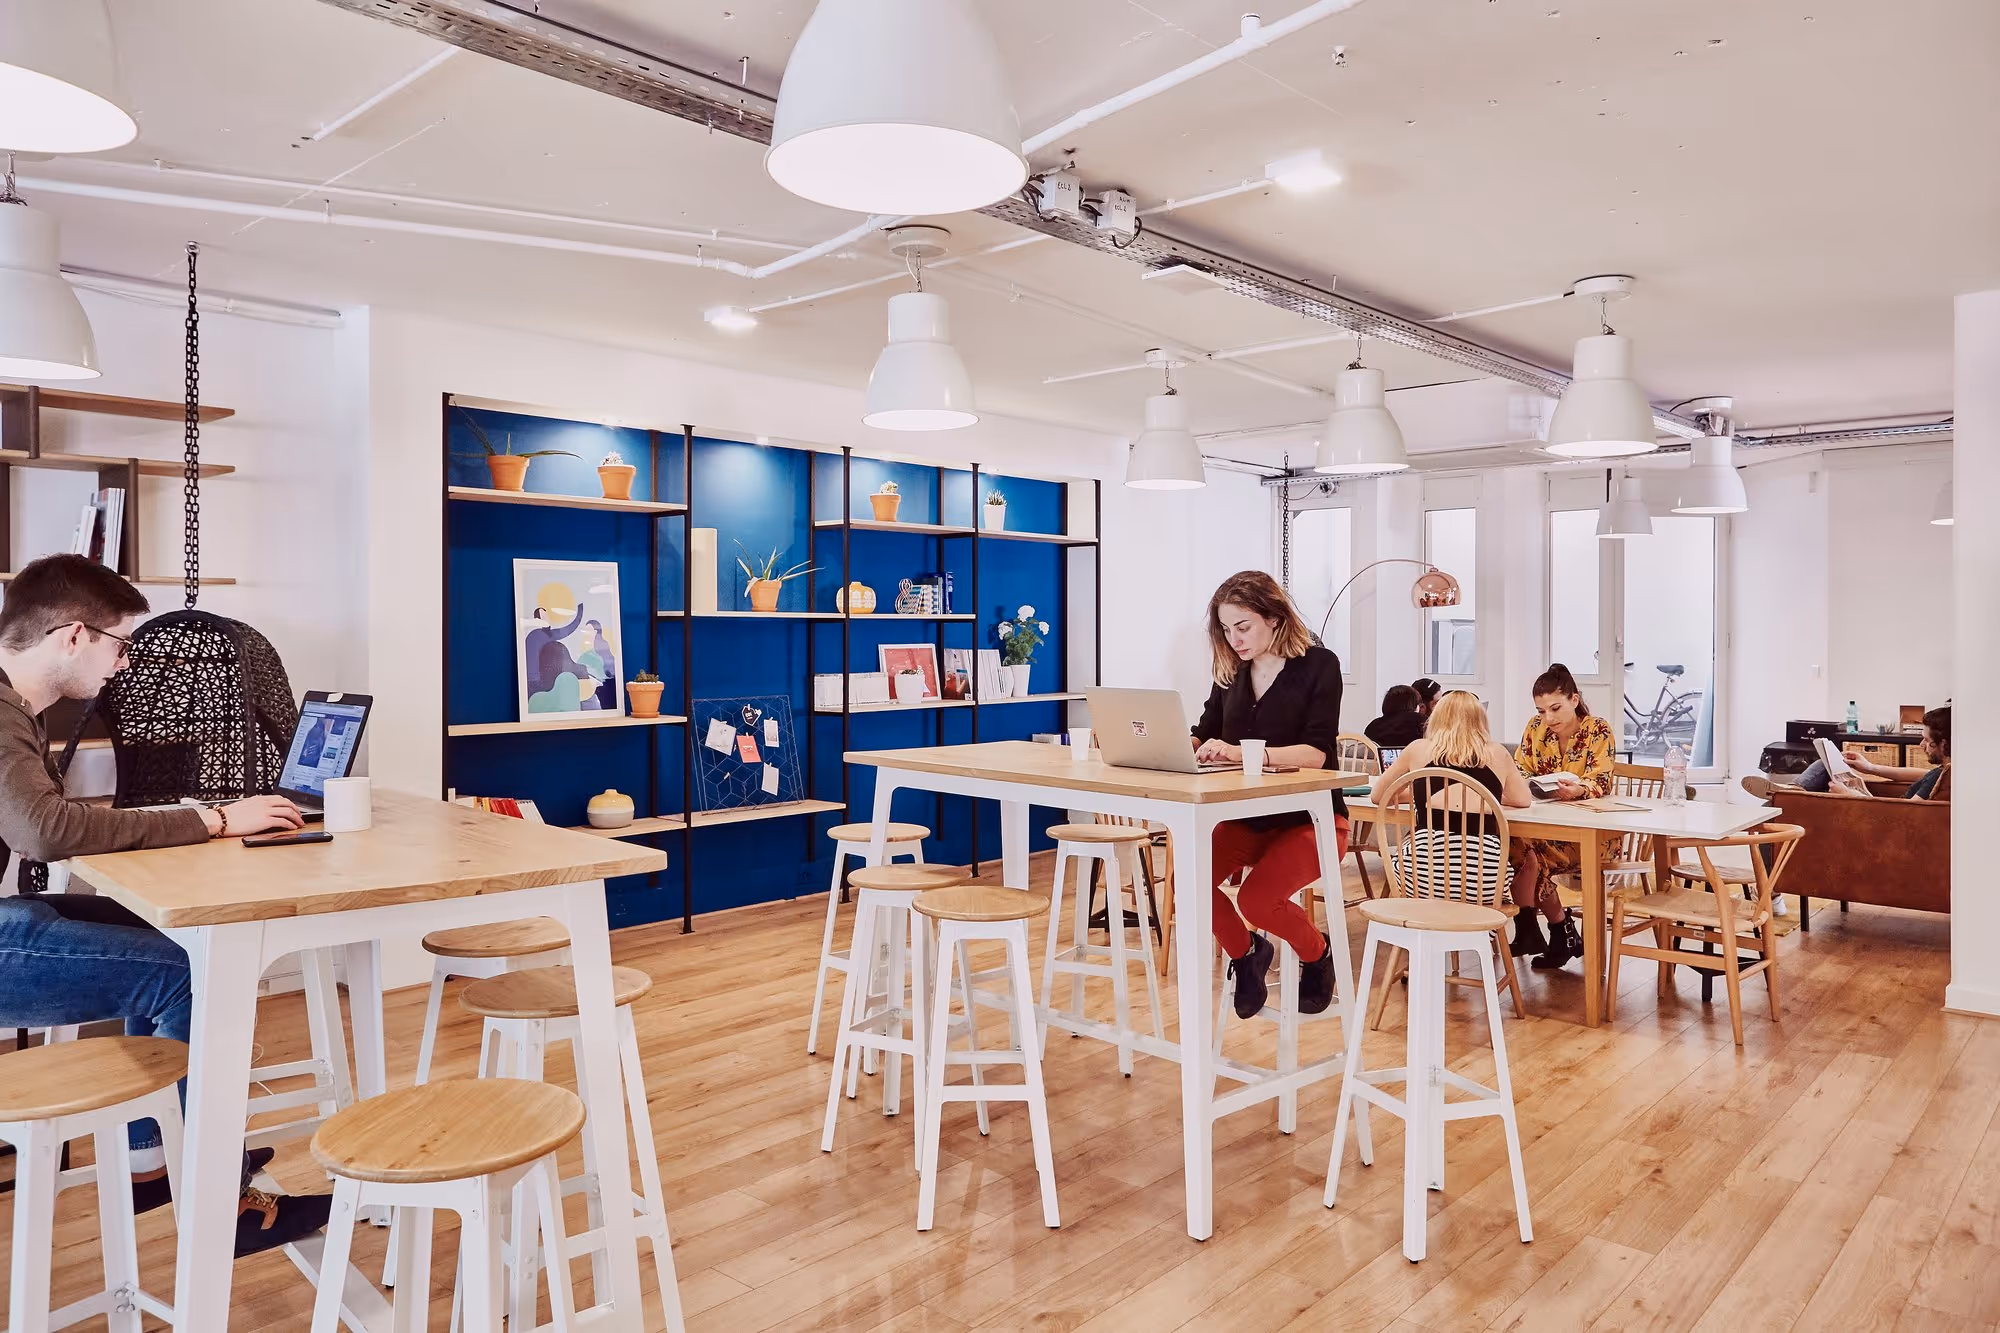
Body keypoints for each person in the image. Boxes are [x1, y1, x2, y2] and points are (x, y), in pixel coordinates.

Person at [0, 555, 332, 1256]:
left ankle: (154, 1155)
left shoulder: (17, 710)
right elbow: (46, 830)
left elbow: (48, 821)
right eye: (121, 645)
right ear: (74, 637)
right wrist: (213, 819)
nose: (125, 665)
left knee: (177, 939)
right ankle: (218, 1200)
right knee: (192, 974)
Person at [1189, 571, 1345, 1019]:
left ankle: (1318, 954)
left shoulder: (1319, 665)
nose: (1234, 639)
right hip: (1248, 818)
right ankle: (1248, 955)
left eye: (1243, 627)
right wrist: (1175, 747)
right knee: (1188, 885)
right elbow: (1205, 731)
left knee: (1256, 900)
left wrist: (1241, 753)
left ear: (1274, 617)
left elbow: (1316, 754)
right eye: (1226, 629)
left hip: (1310, 820)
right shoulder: (1230, 672)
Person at [1508, 663, 1616, 970]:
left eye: (1555, 708)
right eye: (1541, 711)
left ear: (1574, 699)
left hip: (1591, 835)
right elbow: (1519, 768)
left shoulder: (1598, 730)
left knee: (1528, 855)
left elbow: (1601, 779)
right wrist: (1530, 784)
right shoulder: (1535, 728)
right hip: (1544, 827)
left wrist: (1580, 789)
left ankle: (1549, 929)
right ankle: (1553, 932)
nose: (1548, 718)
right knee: (1514, 846)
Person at [1822, 705, 1951, 801]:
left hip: (1884, 819)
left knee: (1821, 766)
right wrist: (1869, 767)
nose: (1921, 744)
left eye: (1927, 740)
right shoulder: (1945, 771)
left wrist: (1848, 794)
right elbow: (1922, 774)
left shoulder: (1940, 776)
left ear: (1943, 744)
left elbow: (1907, 813)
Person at [1365, 683, 1427, 751]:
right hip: (1413, 756)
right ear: (1414, 704)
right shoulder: (1421, 720)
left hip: (1381, 757)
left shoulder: (1373, 725)